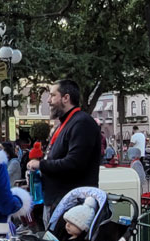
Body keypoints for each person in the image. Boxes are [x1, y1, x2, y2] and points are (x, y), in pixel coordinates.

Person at [25, 80, 102, 219]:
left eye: (53, 95)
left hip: (71, 206)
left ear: (66, 98)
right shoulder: (64, 124)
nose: (48, 100)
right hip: (57, 201)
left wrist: (41, 165)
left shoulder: (82, 123)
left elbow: (74, 163)